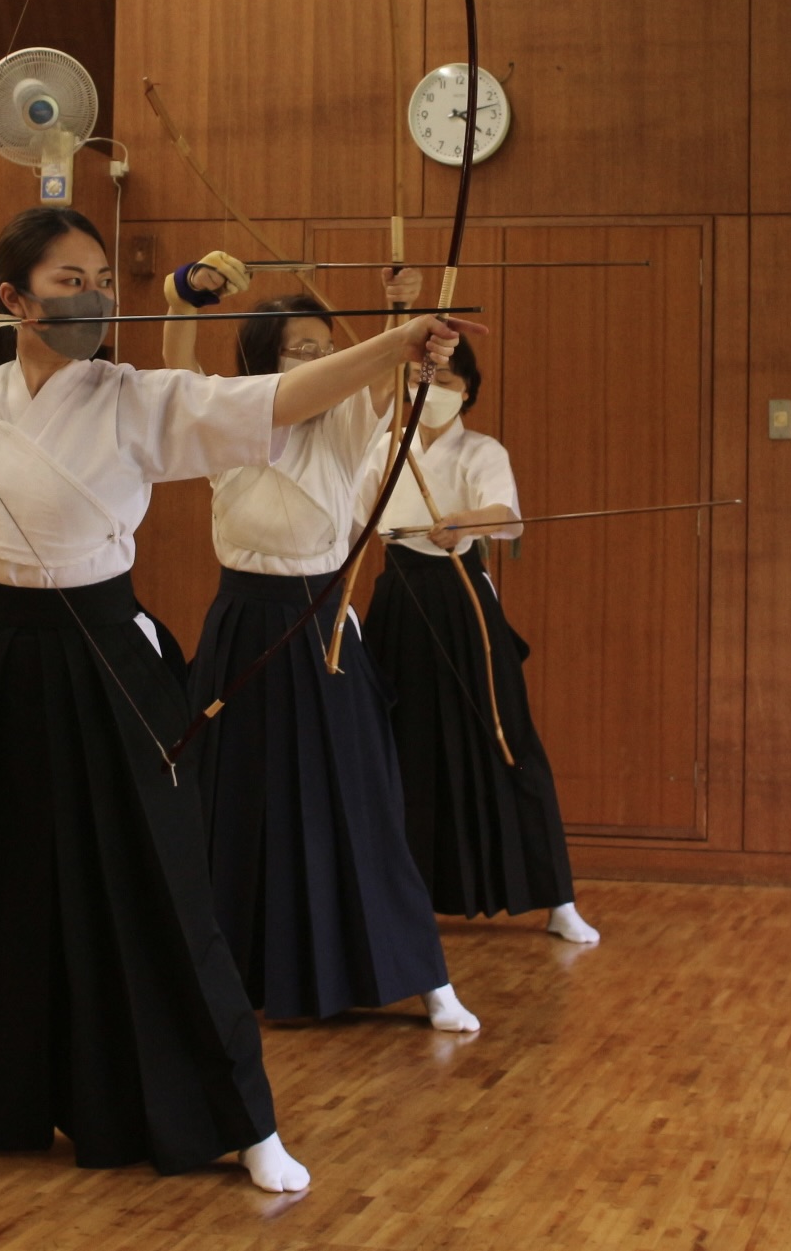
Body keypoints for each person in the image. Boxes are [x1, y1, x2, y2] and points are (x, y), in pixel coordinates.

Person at [0, 208, 461, 1191]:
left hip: (104, 653)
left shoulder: (140, 399)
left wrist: (393, 343)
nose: (94, 296)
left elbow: (277, 399)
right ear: (11, 300)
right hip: (0, 656)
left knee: (162, 889)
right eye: (68, 280)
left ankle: (242, 1119)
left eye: (101, 278)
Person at [164, 262, 479, 1029]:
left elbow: (377, 380)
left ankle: (423, 973)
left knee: (358, 797)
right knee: (233, 799)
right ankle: (226, 971)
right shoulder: (230, 418)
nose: (310, 361)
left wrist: (411, 333)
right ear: (261, 358)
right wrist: (179, 300)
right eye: (295, 350)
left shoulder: (343, 418)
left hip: (319, 621)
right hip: (242, 619)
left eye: (319, 348)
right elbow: (174, 372)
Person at [359, 336, 599, 944]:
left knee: (505, 737)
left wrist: (466, 522)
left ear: (469, 392)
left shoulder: (483, 450)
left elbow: (507, 516)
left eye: (445, 382)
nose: (432, 392)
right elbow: (352, 520)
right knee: (398, 746)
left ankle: (557, 899)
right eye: (421, 379)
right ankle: (397, 901)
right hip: (398, 599)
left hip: (461, 596)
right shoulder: (384, 446)